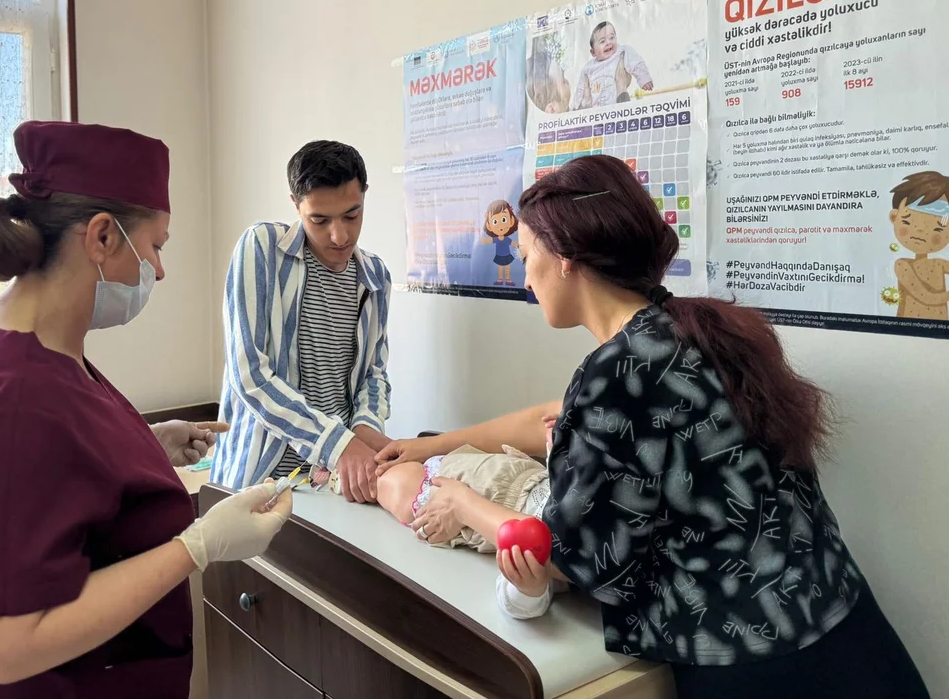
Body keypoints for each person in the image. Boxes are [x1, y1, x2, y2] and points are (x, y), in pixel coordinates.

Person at [376, 154, 929, 699]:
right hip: (848, 623)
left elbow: (580, 559)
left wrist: (464, 503)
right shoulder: (700, 331)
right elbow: (554, 413)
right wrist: (436, 443)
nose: (526, 280)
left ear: (564, 257)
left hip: (758, 658)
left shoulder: (617, 372)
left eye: (525, 257)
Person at [0, 121, 292, 698]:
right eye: (155, 246)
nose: (159, 271)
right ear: (103, 236)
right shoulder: (8, 403)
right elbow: (7, 647)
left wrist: (141, 448)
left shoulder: (23, 342)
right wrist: (199, 545)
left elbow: (51, 473)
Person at [210, 140, 392, 503]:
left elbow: (374, 372)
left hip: (332, 477)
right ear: (296, 204)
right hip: (261, 475)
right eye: (319, 220)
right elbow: (250, 375)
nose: (339, 236)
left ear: (364, 195)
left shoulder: (374, 275)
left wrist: (366, 428)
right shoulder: (263, 248)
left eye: (352, 215)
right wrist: (338, 444)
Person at [312, 412, 568, 620]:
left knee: (392, 482)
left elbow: (519, 601)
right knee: (397, 460)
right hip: (504, 468)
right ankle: (360, 449)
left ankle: (340, 474)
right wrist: (558, 452)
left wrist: (530, 590)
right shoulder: (584, 495)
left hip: (459, 498)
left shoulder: (564, 557)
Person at [888, 170, 949, 320]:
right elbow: (925, 296)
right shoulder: (902, 265)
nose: (921, 231)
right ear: (894, 217)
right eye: (908, 222)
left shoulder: (939, 264)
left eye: (937, 229)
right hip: (909, 324)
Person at [570, 21, 653, 109]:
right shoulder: (588, 68)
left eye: (611, 38)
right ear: (593, 52)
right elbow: (580, 88)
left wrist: (644, 78)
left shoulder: (622, 51)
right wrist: (575, 106)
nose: (608, 43)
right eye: (602, 41)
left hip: (617, 104)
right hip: (597, 109)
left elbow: (636, 63)